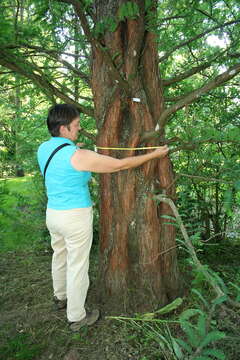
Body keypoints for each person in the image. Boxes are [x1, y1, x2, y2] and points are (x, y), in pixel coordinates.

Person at [37, 103, 169, 332]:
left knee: (60, 256)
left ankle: (60, 297)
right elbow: (120, 165)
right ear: (64, 128)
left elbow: (63, 160)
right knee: (77, 265)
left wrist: (72, 147)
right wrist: (154, 154)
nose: (79, 128)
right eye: (76, 126)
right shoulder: (79, 156)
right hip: (74, 217)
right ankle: (77, 316)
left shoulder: (44, 149)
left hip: (53, 215)